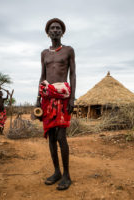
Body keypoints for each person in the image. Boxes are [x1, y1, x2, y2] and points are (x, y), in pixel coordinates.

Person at [36, 18, 76, 190]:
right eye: (52, 28)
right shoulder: (44, 53)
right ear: (48, 32)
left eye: (58, 28)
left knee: (61, 137)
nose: (55, 30)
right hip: (47, 99)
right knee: (51, 138)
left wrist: (72, 98)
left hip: (62, 97)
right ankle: (57, 171)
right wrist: (38, 99)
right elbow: (42, 76)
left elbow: (73, 74)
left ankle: (67, 175)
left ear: (62, 31)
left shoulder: (68, 51)